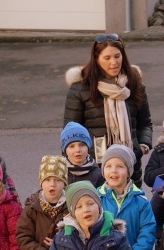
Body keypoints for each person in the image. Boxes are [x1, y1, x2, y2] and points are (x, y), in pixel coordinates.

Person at [63, 34, 153, 184]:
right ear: (97, 59)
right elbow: (70, 134)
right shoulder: (80, 89)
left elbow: (145, 124)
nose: (114, 62)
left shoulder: (134, 84)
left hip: (129, 165)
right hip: (93, 170)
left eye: (117, 56)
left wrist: (141, 148)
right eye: (107, 58)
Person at [60, 122, 103, 189]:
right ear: (65, 150)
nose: (77, 150)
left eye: (82, 145)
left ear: (88, 147)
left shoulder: (98, 174)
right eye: (72, 146)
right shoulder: (60, 173)